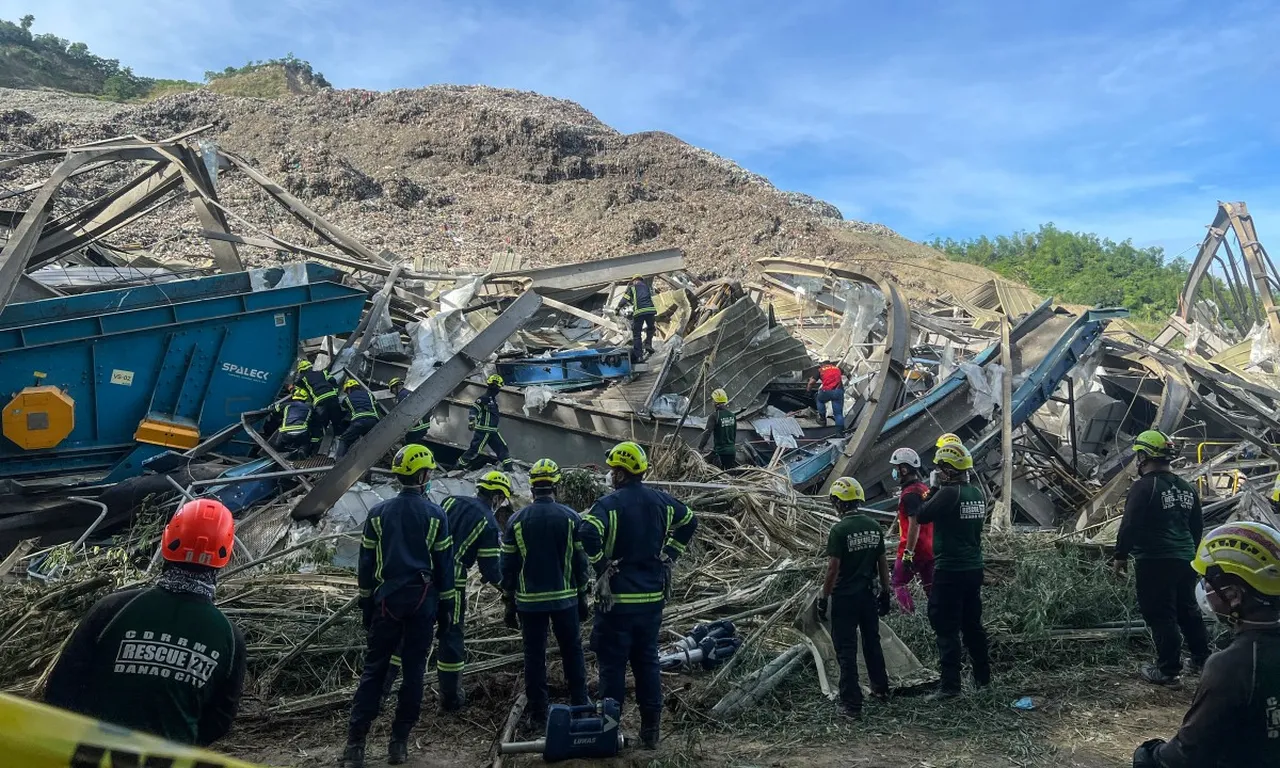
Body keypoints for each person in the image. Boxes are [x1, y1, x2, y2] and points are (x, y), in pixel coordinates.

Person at [45, 499, 246, 747]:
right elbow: (219, 720)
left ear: (167, 542)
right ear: (226, 553)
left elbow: (61, 688)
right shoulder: (229, 637)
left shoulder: (113, 610)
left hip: (94, 756)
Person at [578, 441, 698, 749]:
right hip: (651, 602)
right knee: (647, 665)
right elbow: (689, 520)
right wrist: (669, 554)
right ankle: (651, 733)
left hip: (617, 604)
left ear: (620, 473)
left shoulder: (609, 505)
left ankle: (609, 733)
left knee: (612, 668)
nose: (610, 474)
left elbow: (587, 532)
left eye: (613, 469)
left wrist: (601, 564)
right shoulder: (662, 501)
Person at [1132, 521, 1280, 767]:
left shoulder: (1234, 666)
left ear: (1233, 595)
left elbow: (1185, 756)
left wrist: (1149, 755)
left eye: (1207, 581)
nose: (1203, 589)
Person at [343, 444, 455, 768]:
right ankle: (399, 745)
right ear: (422, 476)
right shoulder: (436, 516)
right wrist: (447, 609)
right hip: (422, 606)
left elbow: (366, 565)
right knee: (414, 674)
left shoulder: (377, 514)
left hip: (386, 605)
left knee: (374, 671)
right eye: (430, 473)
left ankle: (355, 746)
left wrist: (366, 602)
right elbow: (444, 568)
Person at [1113, 430, 1210, 686]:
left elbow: (1130, 525)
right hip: (1186, 558)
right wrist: (1190, 553)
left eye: (1138, 455)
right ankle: (1202, 660)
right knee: (1188, 610)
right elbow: (1197, 526)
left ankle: (1168, 670)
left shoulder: (1144, 486)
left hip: (1156, 561)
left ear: (1144, 456)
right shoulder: (1186, 487)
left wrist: (1120, 555)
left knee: (1161, 615)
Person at [502, 458, 591, 731]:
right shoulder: (571, 518)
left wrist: (509, 601)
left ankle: (539, 714)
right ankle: (580, 706)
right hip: (565, 599)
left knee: (534, 656)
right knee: (572, 652)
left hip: (529, 604)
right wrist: (583, 595)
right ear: (556, 486)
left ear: (532, 488)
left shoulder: (516, 521)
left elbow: (508, 566)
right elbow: (580, 562)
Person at [917, 442, 990, 699]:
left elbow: (922, 515)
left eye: (940, 468)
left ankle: (950, 686)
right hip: (973, 567)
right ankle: (983, 679)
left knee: (945, 626)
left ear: (948, 469)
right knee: (972, 625)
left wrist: (933, 487)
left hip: (950, 570)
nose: (938, 471)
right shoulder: (975, 493)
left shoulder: (949, 494)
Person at [816, 477, 891, 717]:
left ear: (838, 502)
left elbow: (832, 569)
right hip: (867, 596)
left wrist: (824, 597)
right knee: (872, 643)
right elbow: (882, 563)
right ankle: (881, 689)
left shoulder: (839, 530)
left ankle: (851, 704)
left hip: (845, 599)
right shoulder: (874, 526)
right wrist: (886, 592)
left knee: (846, 650)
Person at [434, 470, 506, 711]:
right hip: (452, 582)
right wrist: (508, 590)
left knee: (413, 630)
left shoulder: (450, 500)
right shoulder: (489, 523)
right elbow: (491, 569)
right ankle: (451, 698)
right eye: (502, 499)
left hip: (422, 575)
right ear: (496, 497)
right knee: (451, 635)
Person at [889, 447, 934, 614]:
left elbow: (915, 524)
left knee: (898, 581)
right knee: (930, 586)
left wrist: (908, 553)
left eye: (896, 468)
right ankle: (940, 614)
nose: (894, 472)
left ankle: (909, 616)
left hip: (915, 548)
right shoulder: (923, 488)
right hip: (930, 547)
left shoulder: (910, 495)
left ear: (904, 469)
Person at [458, 374, 513, 471]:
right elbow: (474, 409)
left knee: (502, 448)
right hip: (484, 431)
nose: (497, 389)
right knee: (474, 450)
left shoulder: (493, 400)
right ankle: (459, 466)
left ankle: (509, 469)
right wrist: (472, 421)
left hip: (493, 431)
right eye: (496, 386)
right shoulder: (483, 399)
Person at [335, 378, 380, 459]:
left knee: (344, 440)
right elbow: (377, 407)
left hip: (359, 421)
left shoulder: (347, 399)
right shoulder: (369, 395)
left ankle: (338, 461)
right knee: (370, 441)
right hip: (373, 421)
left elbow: (347, 409)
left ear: (349, 389)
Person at [297, 359, 341, 439]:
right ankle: (339, 434)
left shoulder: (303, 378)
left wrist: (291, 388)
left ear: (302, 370)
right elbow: (332, 380)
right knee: (336, 417)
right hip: (332, 395)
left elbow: (297, 386)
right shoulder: (322, 372)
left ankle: (320, 439)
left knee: (321, 421)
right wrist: (336, 391)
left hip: (320, 400)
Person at [618, 274, 657, 362]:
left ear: (634, 280)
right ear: (641, 280)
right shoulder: (646, 287)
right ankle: (648, 345)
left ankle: (639, 356)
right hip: (650, 310)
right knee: (651, 328)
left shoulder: (632, 287)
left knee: (637, 334)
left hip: (639, 312)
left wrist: (617, 309)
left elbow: (625, 300)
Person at [696, 388, 738, 469]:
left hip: (720, 453)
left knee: (713, 474)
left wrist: (700, 447)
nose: (712, 402)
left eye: (713, 400)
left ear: (715, 402)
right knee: (728, 476)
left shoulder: (714, 416)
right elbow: (734, 434)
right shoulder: (732, 416)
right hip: (732, 452)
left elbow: (707, 433)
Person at [269, 388, 314, 458]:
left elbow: (273, 409)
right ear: (305, 398)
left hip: (286, 432)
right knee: (305, 442)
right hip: (301, 432)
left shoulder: (287, 405)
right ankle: (302, 450)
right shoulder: (309, 407)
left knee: (278, 445)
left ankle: (280, 452)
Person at [388, 377, 431, 446]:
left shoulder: (401, 397)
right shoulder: (410, 393)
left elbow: (401, 415)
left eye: (392, 391)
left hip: (415, 428)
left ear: (394, 388)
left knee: (409, 446)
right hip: (425, 425)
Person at [807, 360, 845, 430]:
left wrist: (808, 391)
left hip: (827, 391)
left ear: (821, 364)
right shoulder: (837, 368)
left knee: (819, 399)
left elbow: (811, 383)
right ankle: (840, 433)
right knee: (838, 414)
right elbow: (845, 374)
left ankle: (822, 419)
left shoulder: (820, 370)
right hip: (838, 391)